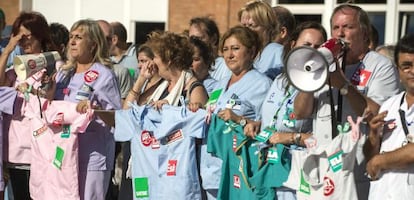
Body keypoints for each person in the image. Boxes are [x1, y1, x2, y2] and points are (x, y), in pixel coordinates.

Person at [293, 4, 400, 200]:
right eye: (335, 28)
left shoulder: (380, 66)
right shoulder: (323, 64)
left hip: (357, 172)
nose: (340, 33)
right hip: (322, 172)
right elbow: (300, 113)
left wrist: (343, 84)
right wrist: (309, 80)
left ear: (365, 34)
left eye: (348, 27)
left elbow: (378, 114)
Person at [243, 20, 327, 200]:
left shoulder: (323, 85)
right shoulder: (280, 79)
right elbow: (274, 117)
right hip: (268, 170)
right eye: (307, 45)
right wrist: (258, 124)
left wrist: (290, 137)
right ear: (293, 44)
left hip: (296, 176)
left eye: (317, 47)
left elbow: (324, 139)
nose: (311, 50)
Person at [200, 25, 272, 200]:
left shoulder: (263, 85)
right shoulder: (219, 84)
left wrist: (240, 120)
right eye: (225, 49)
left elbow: (269, 126)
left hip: (241, 170)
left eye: (235, 48)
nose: (229, 55)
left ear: (252, 51)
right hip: (212, 169)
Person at [54, 19, 121, 200]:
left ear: (93, 44)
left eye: (79, 37)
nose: (72, 42)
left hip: (92, 156)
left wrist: (96, 110)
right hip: (64, 155)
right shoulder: (63, 74)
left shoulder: (104, 75)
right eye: (71, 37)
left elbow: (118, 119)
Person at [0, 11, 57, 200]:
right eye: (19, 37)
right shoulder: (15, 70)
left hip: (39, 149)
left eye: (27, 37)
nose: (24, 42)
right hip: (16, 152)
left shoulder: (53, 64)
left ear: (40, 35)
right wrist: (8, 50)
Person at [364, 34, 414, 200]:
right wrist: (373, 136)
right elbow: (370, 158)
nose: (412, 71)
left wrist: (380, 161)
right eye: (406, 66)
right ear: (397, 70)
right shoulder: (389, 106)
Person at [238, 0, 284, 80]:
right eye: (244, 26)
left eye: (252, 25)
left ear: (268, 27)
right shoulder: (240, 54)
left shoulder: (278, 52)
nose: (246, 31)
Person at [188, 16, 230, 81]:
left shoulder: (226, 67)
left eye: (198, 39)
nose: (194, 43)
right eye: (191, 39)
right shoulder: (187, 65)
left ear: (214, 39)